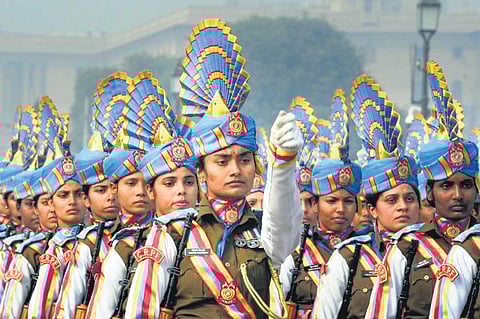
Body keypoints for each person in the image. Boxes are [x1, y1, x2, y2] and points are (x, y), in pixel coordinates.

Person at [92, 18, 303, 319]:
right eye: (222, 161)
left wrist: (283, 165)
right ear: (201, 173)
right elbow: (141, 311)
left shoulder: (261, 230)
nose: (236, 170)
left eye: (245, 160)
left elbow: (284, 232)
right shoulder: (171, 235)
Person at [365, 60, 479, 318]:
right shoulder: (407, 247)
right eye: (446, 186)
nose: (458, 195)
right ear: (429, 193)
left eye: (466, 185)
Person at [312, 80, 420, 318]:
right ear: (371, 209)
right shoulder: (349, 256)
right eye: (391, 200)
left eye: (410, 198)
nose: (403, 207)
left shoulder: (436, 253)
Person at [281, 90, 363, 318]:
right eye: (331, 200)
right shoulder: (295, 254)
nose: (340, 209)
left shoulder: (370, 250)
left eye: (348, 201)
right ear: (316, 205)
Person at [52, 142, 121, 319]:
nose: (110, 197)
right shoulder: (85, 243)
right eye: (101, 190)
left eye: (114, 189)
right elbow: (66, 307)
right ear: (86, 199)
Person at [27, 155, 88, 319]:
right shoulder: (56, 247)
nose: (72, 202)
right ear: (51, 203)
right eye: (63, 195)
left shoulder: (99, 240)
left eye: (78, 194)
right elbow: (40, 308)